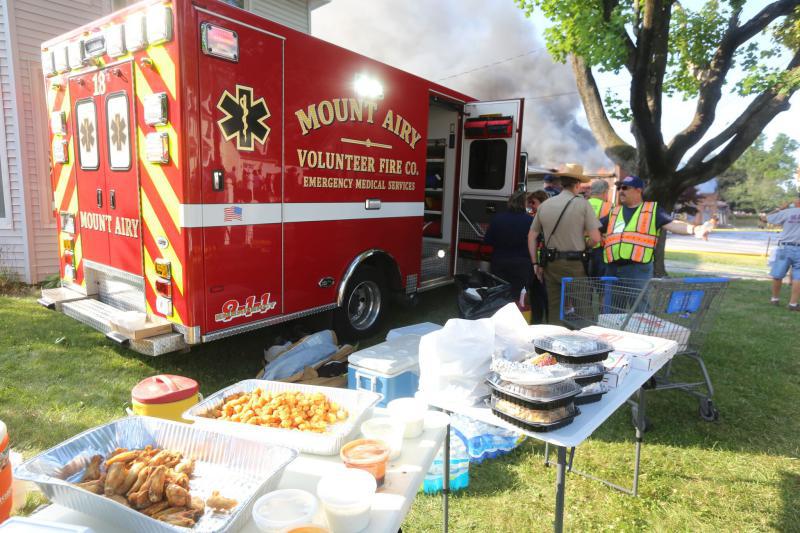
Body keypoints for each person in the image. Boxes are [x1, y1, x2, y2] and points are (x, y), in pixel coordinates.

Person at [600, 176, 710, 287]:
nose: (620, 191)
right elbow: (595, 227)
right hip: (613, 268)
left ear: (638, 191)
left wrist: (695, 229)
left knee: (640, 303)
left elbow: (673, 224)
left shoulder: (652, 211)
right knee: (612, 304)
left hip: (637, 269)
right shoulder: (614, 212)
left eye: (625, 188)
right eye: (619, 188)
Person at [528, 164, 601, 324]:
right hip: (575, 264)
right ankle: (584, 343)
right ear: (577, 184)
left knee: (555, 309)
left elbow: (532, 236)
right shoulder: (582, 204)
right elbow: (596, 238)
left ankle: (554, 344)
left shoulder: (545, 205)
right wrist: (586, 244)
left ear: (561, 183)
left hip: (550, 263)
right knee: (582, 309)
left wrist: (535, 263)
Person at [483, 190, 534, 300]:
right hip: (521, 263)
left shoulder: (498, 218)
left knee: (500, 294)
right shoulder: (530, 220)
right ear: (524, 203)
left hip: (499, 261)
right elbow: (535, 241)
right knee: (518, 296)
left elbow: (487, 240)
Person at [766, 194, 800, 311]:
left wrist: (780, 209)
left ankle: (775, 298)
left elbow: (766, 217)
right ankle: (793, 304)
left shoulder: (787, 212)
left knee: (778, 274)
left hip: (785, 247)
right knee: (798, 277)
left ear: (796, 201)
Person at [526, 190, 550, 323]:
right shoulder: (534, 217)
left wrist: (540, 265)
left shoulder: (547, 219)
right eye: (530, 203)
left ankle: (547, 324)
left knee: (546, 297)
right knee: (535, 297)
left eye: (534, 203)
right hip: (535, 265)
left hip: (545, 264)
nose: (531, 206)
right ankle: (536, 323)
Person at [587, 180, 612, 277]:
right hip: (601, 249)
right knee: (600, 284)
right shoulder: (609, 207)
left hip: (582, 247)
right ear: (605, 192)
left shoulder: (582, 204)